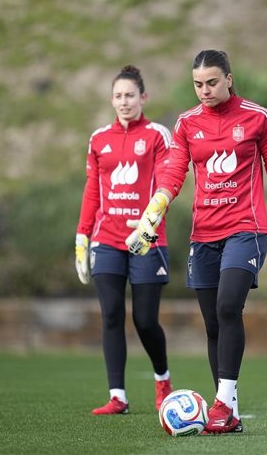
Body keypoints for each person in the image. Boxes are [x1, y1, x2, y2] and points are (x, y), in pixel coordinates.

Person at [126, 50, 267, 433]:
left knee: (229, 307)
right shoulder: (185, 124)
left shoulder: (257, 118)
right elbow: (173, 174)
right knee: (213, 323)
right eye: (198, 84)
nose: (205, 90)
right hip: (204, 235)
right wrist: (151, 215)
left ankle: (222, 403)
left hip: (247, 229)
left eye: (212, 82)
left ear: (229, 78)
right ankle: (229, 410)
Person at [75, 65, 174, 415]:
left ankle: (163, 379)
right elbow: (92, 192)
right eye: (118, 96)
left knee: (145, 320)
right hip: (107, 240)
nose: (124, 101)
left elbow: (167, 184)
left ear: (143, 97)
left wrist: (149, 223)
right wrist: (82, 237)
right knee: (112, 315)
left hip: (146, 241)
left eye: (130, 95)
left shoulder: (158, 135)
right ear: (111, 100)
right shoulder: (98, 139)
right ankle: (118, 395)